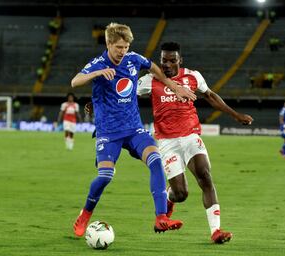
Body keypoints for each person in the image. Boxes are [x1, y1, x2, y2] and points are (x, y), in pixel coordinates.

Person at [70, 23, 196, 237]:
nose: (123, 51)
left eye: (126, 47)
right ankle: (85, 215)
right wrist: (98, 73)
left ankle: (161, 218)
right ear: (109, 44)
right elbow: (75, 82)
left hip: (134, 129)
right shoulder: (98, 63)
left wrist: (173, 85)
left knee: (156, 161)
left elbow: (152, 67)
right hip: (109, 133)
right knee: (105, 176)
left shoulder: (133, 59)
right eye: (119, 47)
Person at [137, 42, 253, 243]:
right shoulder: (149, 80)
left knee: (205, 176)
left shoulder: (193, 76)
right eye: (164, 60)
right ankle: (169, 199)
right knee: (181, 194)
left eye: (172, 60)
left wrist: (235, 115)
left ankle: (215, 231)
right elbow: (125, 95)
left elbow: (210, 96)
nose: (167, 64)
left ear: (179, 61)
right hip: (167, 141)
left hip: (191, 136)